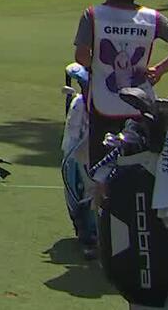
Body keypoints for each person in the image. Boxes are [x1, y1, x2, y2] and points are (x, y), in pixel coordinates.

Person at [72, 0, 168, 168]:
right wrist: (160, 69)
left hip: (103, 104)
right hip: (141, 106)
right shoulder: (151, 17)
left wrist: (98, 65)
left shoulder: (93, 15)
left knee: (101, 169)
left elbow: (81, 57)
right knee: (139, 168)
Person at [59, 64, 98, 259]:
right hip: (81, 158)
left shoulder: (110, 104)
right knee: (81, 189)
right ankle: (87, 234)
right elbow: (71, 146)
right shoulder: (79, 105)